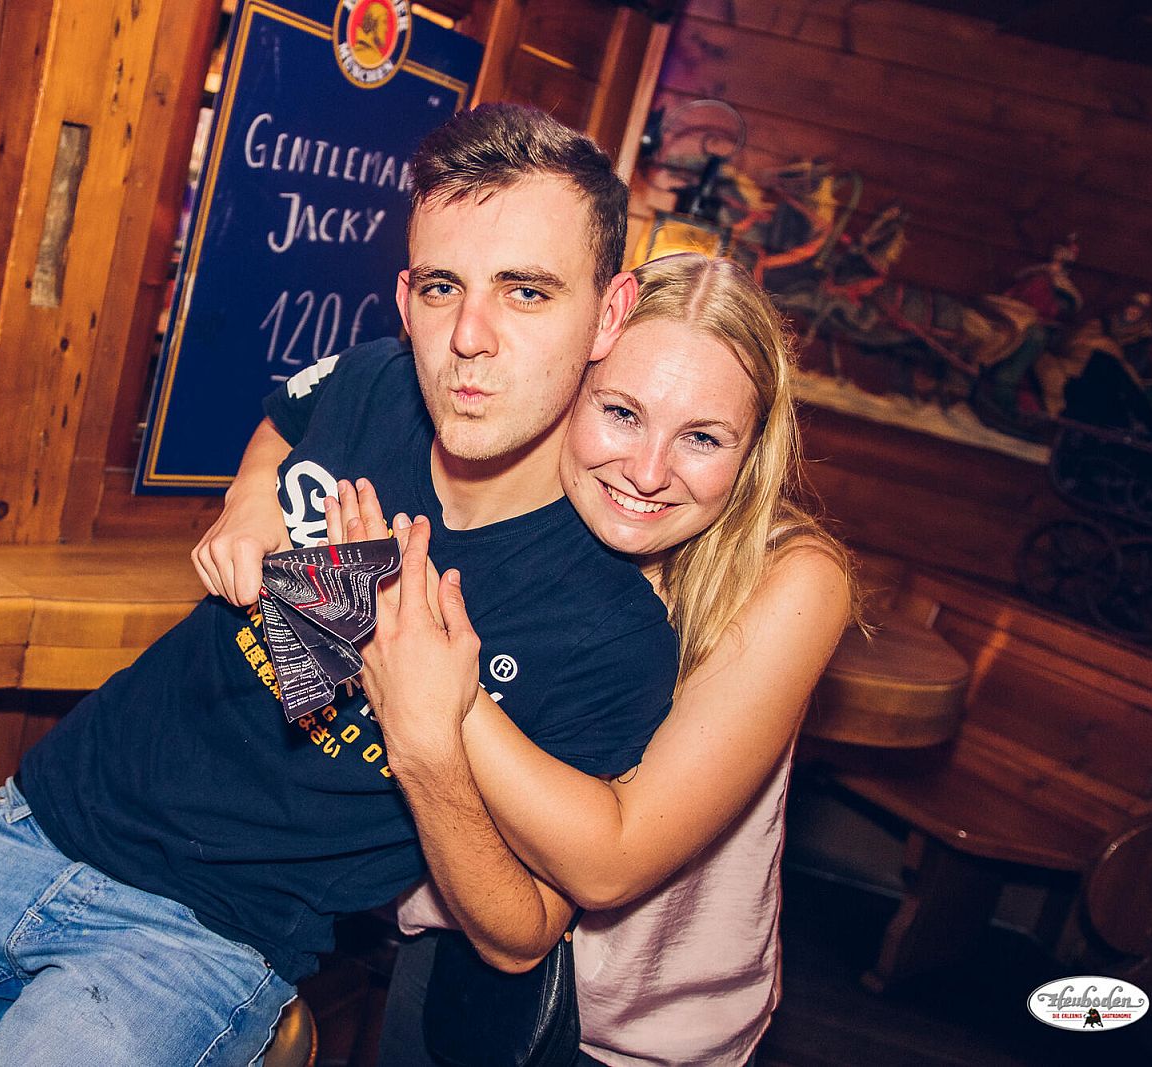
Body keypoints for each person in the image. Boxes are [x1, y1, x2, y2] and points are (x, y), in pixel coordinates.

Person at [0, 104, 678, 1067]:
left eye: (526, 292)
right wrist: (251, 496)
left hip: (206, 938)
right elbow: (283, 420)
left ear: (609, 312)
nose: (469, 336)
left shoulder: (609, 628)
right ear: (404, 297)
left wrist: (429, 735)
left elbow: (521, 936)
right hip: (37, 817)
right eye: (442, 286)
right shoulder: (378, 381)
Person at [204, 252, 858, 1065]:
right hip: (452, 953)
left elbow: (612, 863)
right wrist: (254, 493)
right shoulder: (502, 479)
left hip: (636, 1032)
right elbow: (312, 400)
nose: (648, 471)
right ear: (567, 389)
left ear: (755, 448)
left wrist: (429, 669)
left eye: (701, 436)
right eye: (621, 412)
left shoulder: (791, 578)